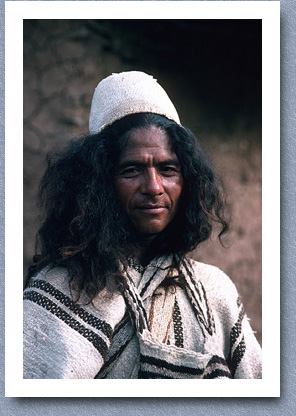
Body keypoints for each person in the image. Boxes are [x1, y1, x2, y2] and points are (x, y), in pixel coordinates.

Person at [23, 71, 262, 379]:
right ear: (100, 185)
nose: (153, 186)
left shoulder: (215, 293)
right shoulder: (64, 287)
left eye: (167, 169)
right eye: (132, 170)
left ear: (187, 181)